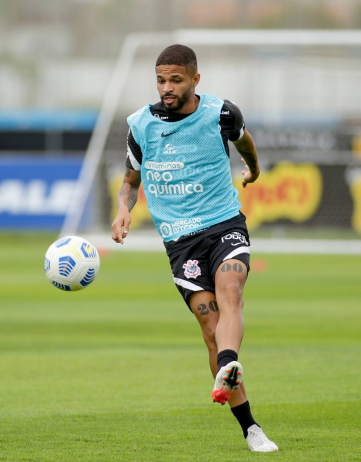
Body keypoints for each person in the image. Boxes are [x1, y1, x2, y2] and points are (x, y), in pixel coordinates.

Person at [111, 44, 278, 453]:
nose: (167, 88)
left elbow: (246, 144)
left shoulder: (221, 114)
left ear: (195, 80)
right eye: (161, 80)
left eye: (176, 80)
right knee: (209, 327)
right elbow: (131, 181)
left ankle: (227, 366)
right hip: (180, 242)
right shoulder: (141, 125)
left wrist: (254, 170)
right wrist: (122, 211)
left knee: (231, 291)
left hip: (223, 224)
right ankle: (249, 426)